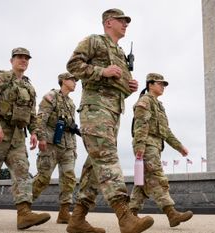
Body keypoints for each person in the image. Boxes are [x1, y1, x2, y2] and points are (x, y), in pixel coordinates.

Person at [65, 8, 154, 233]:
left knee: (94, 168)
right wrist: (102, 71)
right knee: (106, 157)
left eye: (127, 22)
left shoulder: (121, 53)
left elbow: (117, 88)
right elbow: (73, 65)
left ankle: (77, 220)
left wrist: (129, 89)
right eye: (122, 21)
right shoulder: (94, 41)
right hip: (95, 110)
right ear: (108, 22)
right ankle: (125, 216)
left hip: (112, 113)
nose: (125, 25)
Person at [0, 47, 51, 230]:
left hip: (16, 137)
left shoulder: (29, 87)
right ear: (12, 60)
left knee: (22, 171)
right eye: (19, 57)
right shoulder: (1, 78)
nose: (23, 60)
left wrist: (35, 133)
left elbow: (32, 115)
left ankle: (24, 214)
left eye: (26, 58)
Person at [129, 73, 193, 227]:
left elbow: (166, 131)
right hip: (146, 146)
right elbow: (140, 125)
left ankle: (129, 215)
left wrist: (179, 147)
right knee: (158, 178)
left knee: (142, 183)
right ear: (150, 84)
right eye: (160, 83)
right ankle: (172, 214)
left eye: (164, 84)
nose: (162, 87)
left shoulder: (159, 105)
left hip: (155, 146)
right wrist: (140, 147)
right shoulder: (144, 101)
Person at [32, 72, 79, 224]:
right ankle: (24, 205)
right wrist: (41, 137)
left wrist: (74, 148)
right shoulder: (51, 96)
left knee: (69, 178)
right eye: (72, 80)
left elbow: (71, 128)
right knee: (43, 178)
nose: (75, 82)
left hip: (68, 146)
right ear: (63, 81)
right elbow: (41, 118)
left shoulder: (71, 103)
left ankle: (64, 212)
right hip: (51, 143)